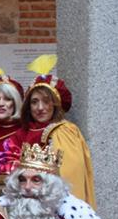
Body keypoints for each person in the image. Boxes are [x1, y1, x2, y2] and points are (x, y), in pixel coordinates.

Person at [11, 55, 96, 207]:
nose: (40, 108)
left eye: (46, 101)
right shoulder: (21, 133)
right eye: (34, 102)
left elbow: (70, 176)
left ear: (56, 104)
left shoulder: (65, 131)